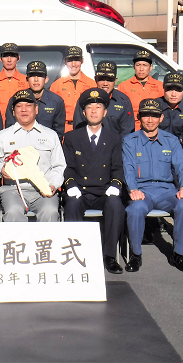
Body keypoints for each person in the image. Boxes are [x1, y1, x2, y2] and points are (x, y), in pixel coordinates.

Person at [122, 99, 183, 273]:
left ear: (161, 118)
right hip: (142, 191)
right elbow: (128, 168)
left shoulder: (171, 141)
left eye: (154, 116)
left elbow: (182, 166)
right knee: (135, 209)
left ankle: (179, 254)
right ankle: (136, 254)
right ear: (139, 117)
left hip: (166, 191)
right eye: (146, 115)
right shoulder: (130, 141)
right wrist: (132, 189)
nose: (150, 120)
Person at [61, 89, 125, 274]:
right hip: (81, 190)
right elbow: (68, 166)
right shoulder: (72, 137)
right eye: (90, 107)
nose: (94, 111)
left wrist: (116, 184)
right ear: (83, 112)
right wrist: (70, 184)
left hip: (104, 190)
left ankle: (110, 256)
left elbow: (118, 167)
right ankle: (74, 253)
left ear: (105, 112)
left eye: (98, 107)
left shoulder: (114, 138)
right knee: (72, 204)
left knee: (116, 205)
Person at [0, 89, 65, 222]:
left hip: (43, 190)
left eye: (28, 105)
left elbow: (59, 166)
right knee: (13, 212)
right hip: (13, 190)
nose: (24, 110)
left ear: (36, 109)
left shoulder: (50, 135)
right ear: (13, 111)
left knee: (50, 212)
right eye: (19, 106)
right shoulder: (3, 136)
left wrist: (53, 185)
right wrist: (1, 169)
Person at [4, 60, 65, 141]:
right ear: (27, 79)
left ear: (46, 79)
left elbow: (58, 132)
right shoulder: (16, 99)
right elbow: (10, 127)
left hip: (46, 145)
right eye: (32, 76)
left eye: (40, 76)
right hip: (21, 144)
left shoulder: (56, 101)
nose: (36, 79)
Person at [72, 60, 134, 138]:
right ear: (96, 79)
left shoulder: (123, 101)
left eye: (109, 80)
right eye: (101, 79)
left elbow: (127, 132)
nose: (105, 83)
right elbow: (78, 128)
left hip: (115, 145)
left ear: (115, 80)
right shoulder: (85, 99)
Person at [49, 46, 95, 133]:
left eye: (77, 60)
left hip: (85, 128)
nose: (73, 64)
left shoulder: (92, 84)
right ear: (65, 61)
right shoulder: (56, 85)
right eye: (70, 60)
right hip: (63, 129)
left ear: (82, 61)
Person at [117, 50, 164, 131]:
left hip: (154, 128)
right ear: (134, 67)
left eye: (145, 65)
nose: (141, 69)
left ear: (151, 67)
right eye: (138, 65)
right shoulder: (124, 86)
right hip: (132, 129)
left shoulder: (160, 86)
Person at [158, 72, 183, 167]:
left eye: (178, 90)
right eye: (169, 89)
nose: (173, 94)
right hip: (156, 154)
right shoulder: (155, 106)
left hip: (180, 155)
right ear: (163, 88)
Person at [0, 43, 28, 123]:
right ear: (0, 58)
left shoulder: (26, 80)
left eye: (13, 56)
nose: (9, 60)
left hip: (21, 125)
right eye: (5, 56)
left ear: (18, 58)